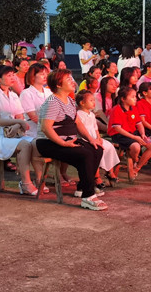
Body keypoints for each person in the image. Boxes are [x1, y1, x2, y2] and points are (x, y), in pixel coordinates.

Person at [33, 69, 107, 210]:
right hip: (49, 142)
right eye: (68, 79)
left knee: (97, 149)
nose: (73, 82)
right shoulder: (52, 102)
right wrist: (63, 143)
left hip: (68, 140)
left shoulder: (70, 101)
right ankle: (88, 196)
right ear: (58, 85)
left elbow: (77, 122)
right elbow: (46, 128)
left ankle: (83, 186)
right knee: (85, 154)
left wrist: (91, 139)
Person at [0, 65, 38, 193]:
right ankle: (26, 183)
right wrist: (18, 122)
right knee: (25, 145)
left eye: (13, 75)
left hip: (13, 134)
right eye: (8, 75)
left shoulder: (13, 95)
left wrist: (17, 124)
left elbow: (20, 116)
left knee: (36, 143)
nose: (13, 77)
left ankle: (39, 180)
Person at [76, 90, 120, 187]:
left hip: (95, 137)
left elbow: (95, 128)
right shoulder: (78, 114)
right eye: (91, 100)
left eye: (94, 100)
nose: (94, 102)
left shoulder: (92, 114)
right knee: (98, 150)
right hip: (85, 139)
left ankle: (110, 171)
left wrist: (99, 138)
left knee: (109, 147)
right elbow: (80, 130)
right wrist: (92, 140)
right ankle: (97, 177)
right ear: (82, 103)